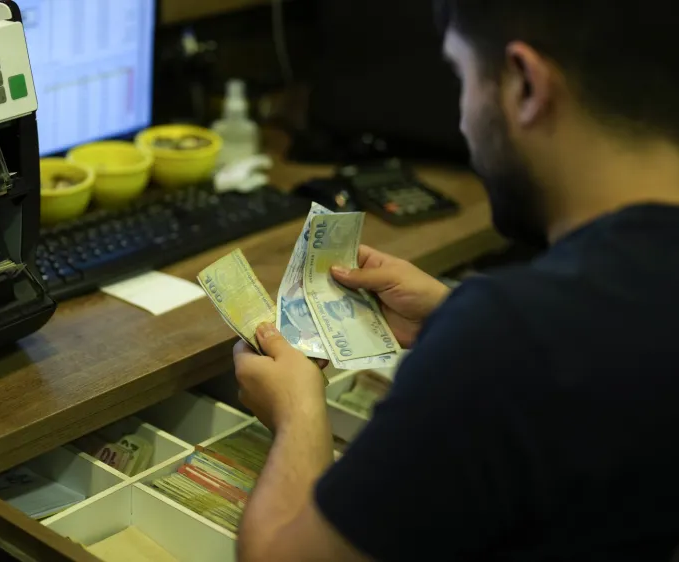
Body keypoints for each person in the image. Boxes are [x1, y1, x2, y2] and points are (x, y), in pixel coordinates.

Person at [233, 1, 679, 560]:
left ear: (525, 85)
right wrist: (453, 313)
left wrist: (297, 414)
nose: (464, 120)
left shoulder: (509, 340)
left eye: (461, 77)